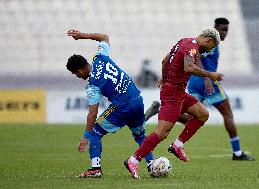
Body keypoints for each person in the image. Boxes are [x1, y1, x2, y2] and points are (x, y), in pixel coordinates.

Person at [124, 28, 223, 179]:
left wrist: (165, 78)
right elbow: (189, 67)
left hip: (178, 91)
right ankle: (133, 160)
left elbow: (165, 60)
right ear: (208, 39)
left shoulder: (184, 41)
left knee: (203, 114)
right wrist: (210, 75)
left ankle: (177, 145)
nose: (210, 50)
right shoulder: (192, 47)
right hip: (173, 94)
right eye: (212, 46)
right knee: (162, 132)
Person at [66, 29, 154, 178]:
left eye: (76, 74)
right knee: (139, 136)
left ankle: (95, 169)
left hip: (122, 107)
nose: (78, 77)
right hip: (138, 100)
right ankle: (152, 164)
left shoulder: (93, 85)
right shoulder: (100, 57)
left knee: (95, 133)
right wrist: (82, 36)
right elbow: (104, 37)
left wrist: (85, 136)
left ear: (80, 71)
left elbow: (92, 112)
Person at [185, 18, 254, 160]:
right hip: (207, 82)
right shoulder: (213, 43)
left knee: (192, 116)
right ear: (215, 28)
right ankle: (237, 153)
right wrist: (207, 79)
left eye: (226, 30)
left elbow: (194, 54)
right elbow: (197, 57)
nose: (224, 33)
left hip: (193, 82)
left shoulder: (206, 41)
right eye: (222, 29)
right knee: (228, 114)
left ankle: (161, 109)